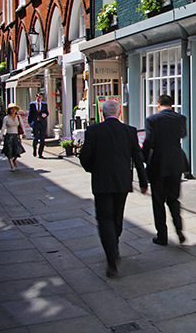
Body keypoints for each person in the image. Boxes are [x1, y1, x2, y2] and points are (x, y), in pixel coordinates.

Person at [79, 99, 148, 278]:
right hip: (122, 181)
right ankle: (114, 245)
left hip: (101, 181)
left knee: (104, 218)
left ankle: (111, 256)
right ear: (119, 113)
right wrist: (143, 181)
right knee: (117, 216)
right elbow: (137, 157)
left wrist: (92, 169)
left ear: (102, 114)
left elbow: (85, 155)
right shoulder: (129, 131)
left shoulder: (93, 130)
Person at [142, 94, 188, 246]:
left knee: (158, 201)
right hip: (176, 162)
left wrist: (142, 158)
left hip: (158, 162)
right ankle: (179, 229)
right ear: (172, 105)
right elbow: (183, 135)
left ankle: (162, 235)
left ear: (158, 104)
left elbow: (149, 141)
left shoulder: (152, 120)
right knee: (173, 198)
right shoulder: (181, 118)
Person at [1, 103, 26, 171]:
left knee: (17, 149)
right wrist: (1, 136)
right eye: (12, 109)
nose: (13, 110)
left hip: (16, 135)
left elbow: (22, 125)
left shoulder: (18, 117)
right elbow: (3, 127)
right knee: (9, 150)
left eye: (14, 109)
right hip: (9, 135)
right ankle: (12, 166)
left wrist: (24, 133)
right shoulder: (6, 118)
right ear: (9, 110)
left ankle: (15, 159)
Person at [28, 92, 49, 158]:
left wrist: (44, 115)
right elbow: (30, 113)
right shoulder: (32, 104)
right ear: (36, 97)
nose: (39, 98)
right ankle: (34, 150)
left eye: (40, 97)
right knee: (36, 138)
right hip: (35, 123)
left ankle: (40, 153)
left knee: (42, 139)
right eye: (38, 97)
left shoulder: (44, 104)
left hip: (42, 123)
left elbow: (47, 112)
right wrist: (30, 122)